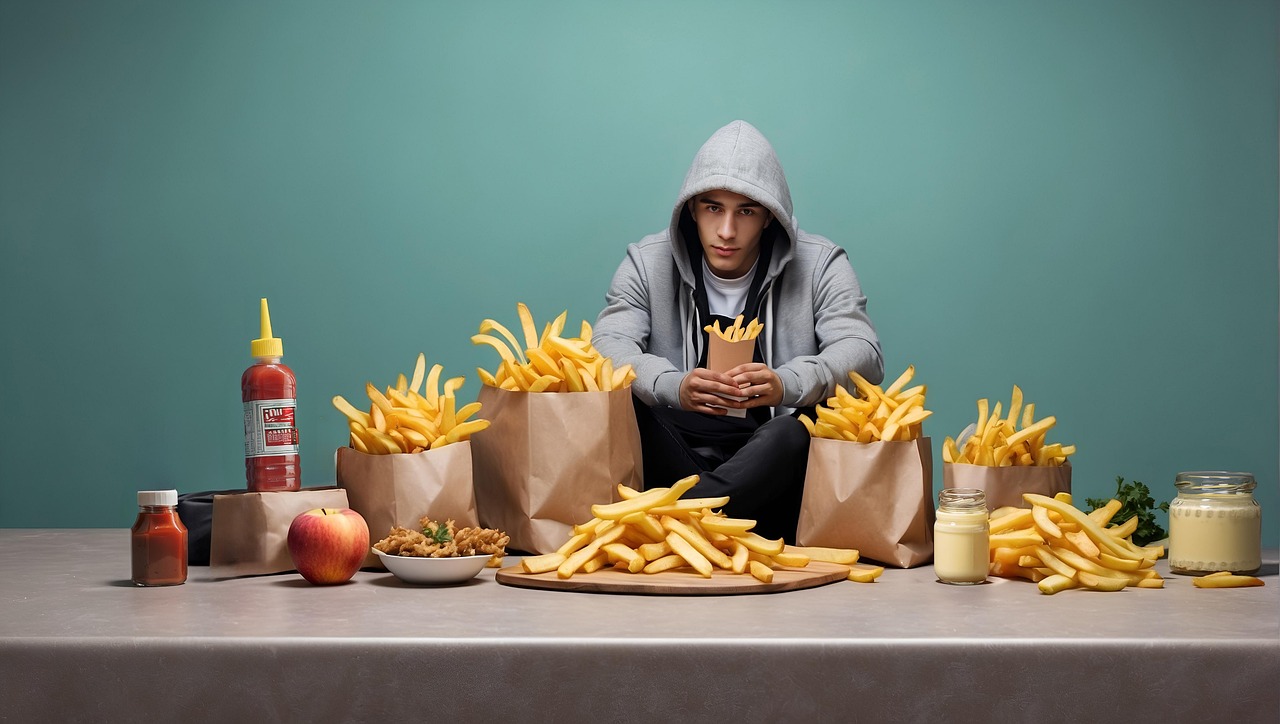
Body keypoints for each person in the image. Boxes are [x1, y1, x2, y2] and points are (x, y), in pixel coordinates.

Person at [593, 120, 883, 542]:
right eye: (713, 208)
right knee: (623, 406)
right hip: (677, 453)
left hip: (773, 463)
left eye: (745, 211)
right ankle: (709, 516)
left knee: (802, 426)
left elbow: (864, 352)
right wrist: (674, 385)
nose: (726, 231)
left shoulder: (822, 264)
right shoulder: (646, 262)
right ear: (691, 209)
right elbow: (606, 345)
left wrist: (786, 383)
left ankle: (675, 521)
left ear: (769, 217)